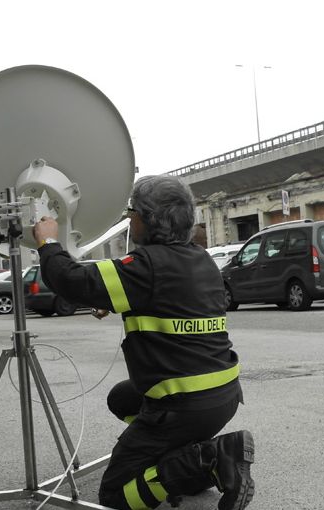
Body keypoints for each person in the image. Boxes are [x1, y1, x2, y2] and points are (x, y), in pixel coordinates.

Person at [33, 175, 254, 510]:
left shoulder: (145, 265)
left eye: (132, 212)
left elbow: (69, 280)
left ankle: (209, 457)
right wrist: (118, 300)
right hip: (222, 397)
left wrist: (48, 242)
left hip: (182, 404)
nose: (129, 218)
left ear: (149, 219)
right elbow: (170, 296)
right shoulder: (202, 259)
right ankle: (198, 461)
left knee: (115, 496)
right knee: (122, 398)